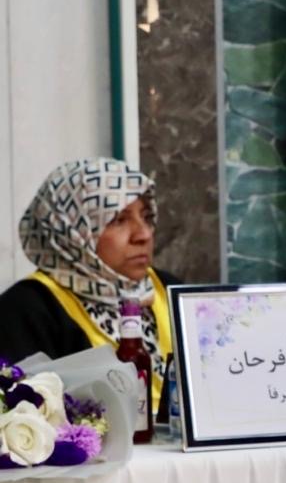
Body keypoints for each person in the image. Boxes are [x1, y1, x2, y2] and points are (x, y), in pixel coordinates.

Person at [0, 159, 176, 411]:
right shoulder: (25, 311)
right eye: (118, 219)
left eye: (147, 217)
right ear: (71, 231)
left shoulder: (168, 289)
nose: (143, 234)